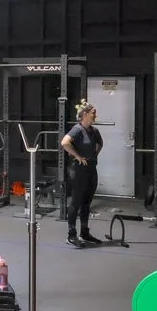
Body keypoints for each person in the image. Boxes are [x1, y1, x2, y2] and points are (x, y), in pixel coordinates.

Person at [59, 102, 102, 248]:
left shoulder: (94, 131)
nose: (95, 115)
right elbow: (64, 143)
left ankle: (84, 232)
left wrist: (93, 157)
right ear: (85, 114)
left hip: (91, 169)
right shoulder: (77, 130)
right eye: (93, 113)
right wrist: (77, 156)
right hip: (78, 170)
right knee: (76, 201)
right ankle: (71, 235)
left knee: (86, 202)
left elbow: (100, 144)